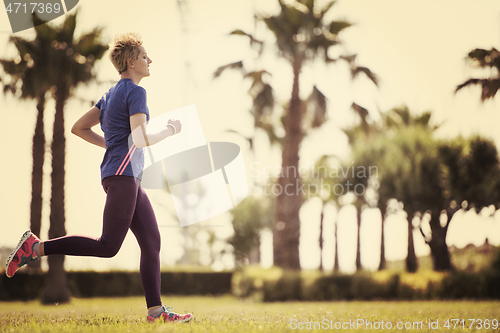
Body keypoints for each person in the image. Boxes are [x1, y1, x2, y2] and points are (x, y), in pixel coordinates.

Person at [5, 32, 193, 324]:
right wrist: (170, 129)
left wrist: (113, 145)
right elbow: (140, 138)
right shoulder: (135, 92)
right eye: (144, 56)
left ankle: (156, 312)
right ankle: (37, 247)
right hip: (122, 175)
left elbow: (79, 128)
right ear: (131, 62)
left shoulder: (110, 94)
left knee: (152, 241)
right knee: (108, 246)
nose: (149, 60)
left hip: (121, 175)